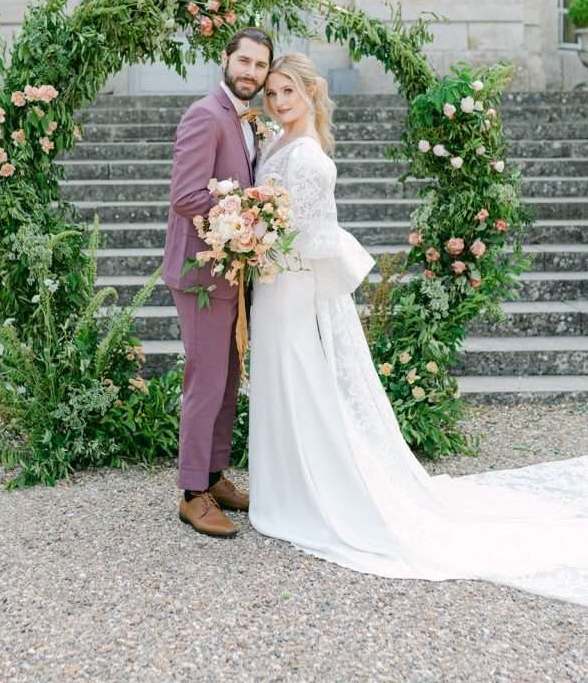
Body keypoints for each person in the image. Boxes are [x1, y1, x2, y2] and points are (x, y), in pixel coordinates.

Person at [248, 52, 588, 607]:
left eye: (288, 91)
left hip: (293, 284)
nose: (279, 102)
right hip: (273, 281)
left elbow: (316, 239)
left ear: (311, 91)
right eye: (273, 94)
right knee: (284, 380)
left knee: (302, 380)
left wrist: (257, 236)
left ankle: (308, 491)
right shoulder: (275, 143)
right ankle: (284, 483)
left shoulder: (309, 157)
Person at [162, 27, 273, 538]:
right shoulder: (205, 115)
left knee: (228, 379)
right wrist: (244, 221)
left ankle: (214, 475)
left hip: (233, 268)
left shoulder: (246, 119)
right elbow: (187, 196)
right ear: (225, 59)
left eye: (260, 65)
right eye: (244, 61)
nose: (251, 72)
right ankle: (191, 493)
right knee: (205, 383)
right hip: (203, 271)